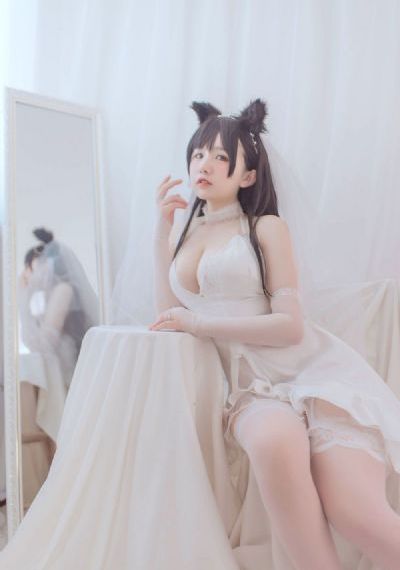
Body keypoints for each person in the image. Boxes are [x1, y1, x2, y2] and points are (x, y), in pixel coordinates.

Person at [148, 99, 400, 569]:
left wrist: (199, 324)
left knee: (356, 512)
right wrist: (160, 236)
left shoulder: (266, 227)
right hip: (251, 389)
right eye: (199, 154)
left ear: (247, 175)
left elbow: (290, 326)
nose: (205, 164)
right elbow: (168, 317)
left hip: (317, 376)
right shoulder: (186, 235)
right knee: (272, 442)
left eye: (220, 156)